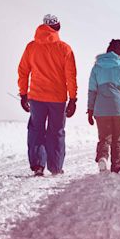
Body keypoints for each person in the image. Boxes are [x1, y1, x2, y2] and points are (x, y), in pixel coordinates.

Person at [17, 14, 78, 176]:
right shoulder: (64, 49)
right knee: (56, 131)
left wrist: (23, 94)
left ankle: (38, 165)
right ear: (57, 27)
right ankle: (56, 167)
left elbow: (23, 71)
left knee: (36, 130)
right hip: (57, 99)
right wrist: (72, 99)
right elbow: (70, 76)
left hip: (36, 97)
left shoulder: (31, 47)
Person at [87, 39, 120, 173]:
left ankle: (103, 157)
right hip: (119, 109)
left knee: (104, 137)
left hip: (101, 109)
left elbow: (92, 90)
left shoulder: (97, 67)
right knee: (117, 139)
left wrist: (90, 109)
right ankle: (116, 167)